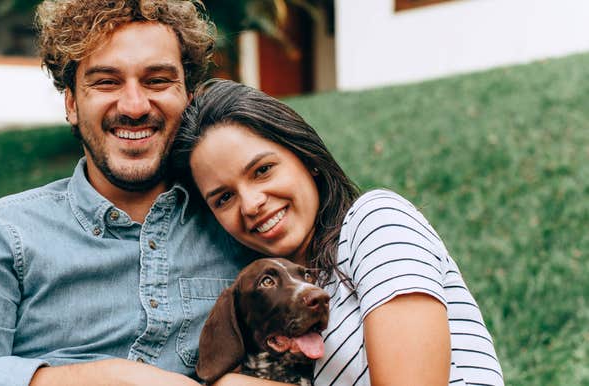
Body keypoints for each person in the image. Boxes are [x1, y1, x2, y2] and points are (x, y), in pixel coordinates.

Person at [0, 2, 254, 386]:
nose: (134, 106)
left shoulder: (239, 226)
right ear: (72, 104)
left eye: (157, 80)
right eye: (106, 82)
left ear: (188, 98)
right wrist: (106, 378)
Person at [171, 79, 505, 386]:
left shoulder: (375, 221)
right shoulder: (289, 317)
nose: (251, 204)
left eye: (263, 170)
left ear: (307, 158)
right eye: (224, 198)